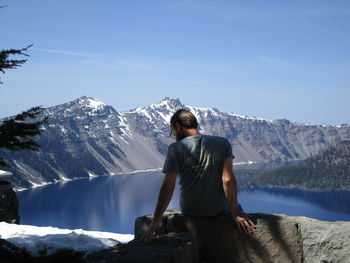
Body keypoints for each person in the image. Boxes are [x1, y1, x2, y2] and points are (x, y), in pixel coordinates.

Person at [139, 109, 255, 242]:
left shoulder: (176, 148)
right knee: (237, 207)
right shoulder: (223, 143)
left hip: (191, 210)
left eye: (173, 130)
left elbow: (168, 187)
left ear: (177, 126)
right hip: (218, 210)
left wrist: (156, 221)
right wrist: (235, 214)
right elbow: (228, 180)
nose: (174, 134)